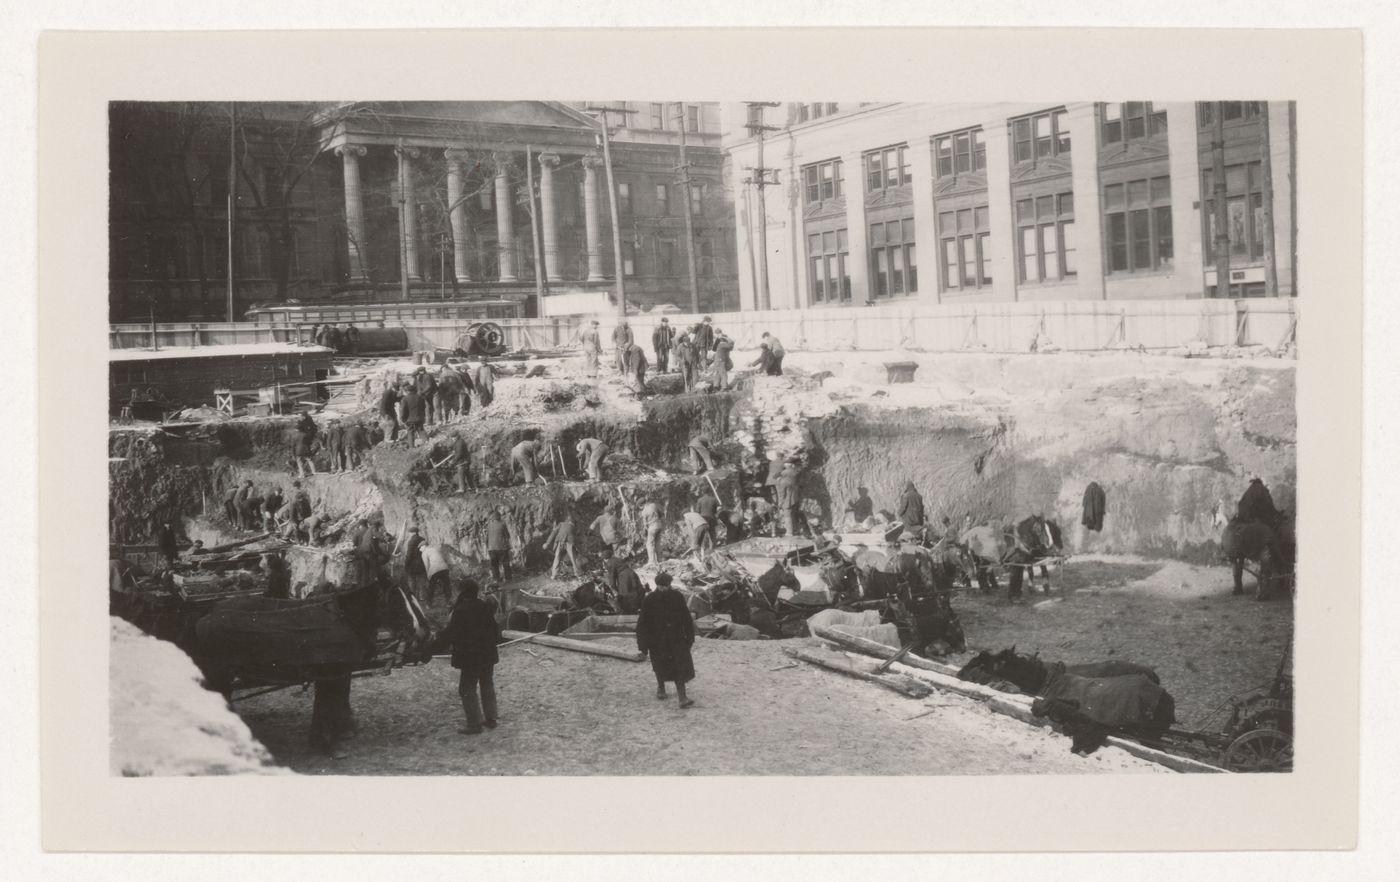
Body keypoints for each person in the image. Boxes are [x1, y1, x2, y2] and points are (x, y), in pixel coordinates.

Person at [433, 578, 502, 735]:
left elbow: (449, 635)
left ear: (462, 593)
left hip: (471, 657)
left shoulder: (461, 611)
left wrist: (430, 650)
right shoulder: (484, 607)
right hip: (487, 655)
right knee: (487, 684)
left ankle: (474, 724)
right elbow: (495, 630)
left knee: (466, 688)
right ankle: (491, 719)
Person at [637, 573, 696, 707]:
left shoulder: (677, 597)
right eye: (661, 586)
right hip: (657, 640)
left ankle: (683, 698)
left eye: (666, 586)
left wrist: (690, 636)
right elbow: (642, 623)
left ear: (670, 584)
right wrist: (643, 645)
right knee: (659, 665)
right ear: (657, 585)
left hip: (676, 638)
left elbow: (686, 618)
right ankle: (661, 687)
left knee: (679, 667)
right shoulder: (650, 599)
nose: (664, 589)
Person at [547, 511, 581, 580]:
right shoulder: (573, 527)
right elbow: (576, 538)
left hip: (559, 540)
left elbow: (553, 533)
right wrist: (578, 549)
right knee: (573, 557)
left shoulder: (561, 524)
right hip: (569, 541)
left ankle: (554, 575)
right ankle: (577, 573)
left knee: (557, 557)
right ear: (573, 522)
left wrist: (547, 543)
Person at [422, 541, 452, 607]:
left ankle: (428, 604)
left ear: (424, 546)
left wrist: (428, 575)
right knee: (446, 586)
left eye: (420, 547)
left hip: (435, 570)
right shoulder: (434, 549)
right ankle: (448, 603)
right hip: (444, 568)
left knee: (431, 587)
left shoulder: (424, 552)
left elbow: (426, 565)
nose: (420, 549)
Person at [485, 510, 511, 583]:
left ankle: (496, 579)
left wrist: (488, 547)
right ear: (499, 517)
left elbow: (486, 538)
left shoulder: (489, 525)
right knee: (505, 563)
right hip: (502, 548)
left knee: (494, 565)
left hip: (491, 548)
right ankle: (508, 579)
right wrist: (508, 545)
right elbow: (507, 536)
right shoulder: (502, 524)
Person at [403, 526, 428, 602]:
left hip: (413, 564)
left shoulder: (411, 541)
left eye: (410, 533)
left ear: (413, 533)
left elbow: (409, 554)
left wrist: (406, 564)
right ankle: (422, 596)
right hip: (422, 562)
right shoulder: (422, 539)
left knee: (411, 580)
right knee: (421, 580)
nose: (409, 534)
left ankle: (413, 597)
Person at [776, 464, 801, 537]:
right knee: (793, 515)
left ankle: (789, 532)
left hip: (787, 501)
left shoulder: (781, 482)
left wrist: (780, 504)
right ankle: (796, 530)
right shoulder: (791, 480)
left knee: (787, 516)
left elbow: (781, 495)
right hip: (795, 499)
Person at [400, 383, 426, 448]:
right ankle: (427, 444)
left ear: (408, 391)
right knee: (421, 431)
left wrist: (403, 419)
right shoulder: (420, 397)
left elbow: (403, 410)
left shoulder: (405, 399)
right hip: (419, 418)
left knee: (410, 433)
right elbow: (424, 407)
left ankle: (412, 448)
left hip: (409, 420)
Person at [641, 500, 663, 568]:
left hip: (652, 527)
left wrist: (644, 533)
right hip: (659, 525)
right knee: (658, 543)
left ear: (641, 505)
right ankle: (660, 560)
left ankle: (652, 561)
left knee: (649, 544)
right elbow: (661, 514)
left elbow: (645, 525)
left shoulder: (644, 511)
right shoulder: (654, 505)